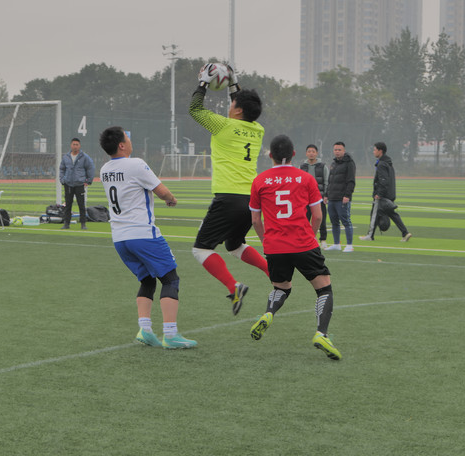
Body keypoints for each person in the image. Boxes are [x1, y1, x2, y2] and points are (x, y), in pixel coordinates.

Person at [98, 126, 195, 349]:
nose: (130, 140)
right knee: (170, 279)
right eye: (127, 138)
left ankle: (145, 329)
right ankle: (171, 334)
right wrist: (171, 199)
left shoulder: (104, 169)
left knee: (147, 280)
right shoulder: (136, 164)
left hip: (120, 238)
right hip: (142, 234)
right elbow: (162, 191)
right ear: (121, 145)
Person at [249, 134, 341, 360]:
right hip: (303, 243)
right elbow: (317, 216)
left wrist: (266, 241)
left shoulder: (259, 181)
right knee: (323, 288)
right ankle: (321, 334)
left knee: (281, 287)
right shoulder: (305, 178)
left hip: (274, 246)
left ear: (270, 155)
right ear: (293, 154)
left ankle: (268, 313)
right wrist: (310, 237)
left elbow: (255, 221)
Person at [189, 63, 269, 315]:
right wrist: (233, 84)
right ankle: (272, 270)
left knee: (200, 249)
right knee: (234, 245)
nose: (230, 105)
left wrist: (203, 82)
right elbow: (242, 105)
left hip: (229, 198)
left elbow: (195, 109)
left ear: (238, 110)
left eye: (233, 103)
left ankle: (233, 287)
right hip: (252, 200)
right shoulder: (258, 129)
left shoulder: (223, 125)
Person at [360, 142, 412, 242]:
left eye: (375, 150)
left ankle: (370, 236)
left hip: (382, 195)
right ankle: (405, 233)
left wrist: (379, 194)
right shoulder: (388, 162)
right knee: (392, 214)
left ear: (380, 151)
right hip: (389, 194)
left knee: (374, 214)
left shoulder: (382, 164)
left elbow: (383, 180)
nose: (373, 152)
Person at [325, 141, 356, 252]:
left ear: (344, 150)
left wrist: (347, 195)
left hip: (342, 198)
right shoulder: (333, 163)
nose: (337, 152)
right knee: (334, 222)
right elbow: (330, 181)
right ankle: (336, 244)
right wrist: (326, 195)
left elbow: (351, 181)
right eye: (335, 150)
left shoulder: (349, 163)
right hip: (332, 197)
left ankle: (349, 245)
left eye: (339, 150)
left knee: (346, 221)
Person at [59, 138, 95, 230]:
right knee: (68, 204)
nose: (75, 146)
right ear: (71, 145)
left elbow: (90, 168)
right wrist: (62, 179)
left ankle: (83, 223)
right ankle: (66, 223)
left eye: (77, 144)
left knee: (81, 205)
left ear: (79, 146)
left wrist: (88, 180)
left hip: (79, 184)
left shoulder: (84, 157)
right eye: (74, 144)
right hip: (68, 184)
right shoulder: (66, 157)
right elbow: (62, 169)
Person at [300, 144, 329, 248]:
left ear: (316, 153)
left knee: (321, 219)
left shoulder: (323, 166)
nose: (311, 153)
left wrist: (325, 195)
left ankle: (323, 240)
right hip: (305, 199)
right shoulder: (302, 167)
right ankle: (305, 239)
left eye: (313, 151)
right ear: (306, 153)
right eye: (309, 151)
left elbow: (327, 182)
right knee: (305, 220)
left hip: (319, 198)